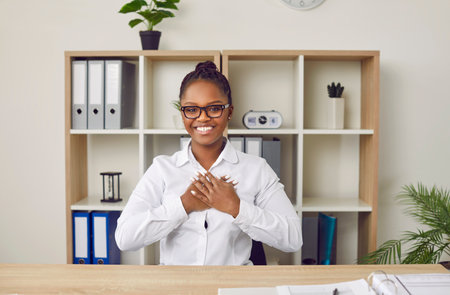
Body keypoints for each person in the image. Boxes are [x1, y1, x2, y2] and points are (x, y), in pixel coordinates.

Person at [115, 61, 302, 265]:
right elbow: (125, 238)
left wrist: (236, 207)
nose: (202, 118)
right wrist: (183, 205)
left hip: (232, 287)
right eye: (192, 109)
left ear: (229, 112)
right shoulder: (162, 169)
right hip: (177, 287)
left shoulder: (256, 169)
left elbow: (293, 238)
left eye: (213, 108)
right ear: (183, 114)